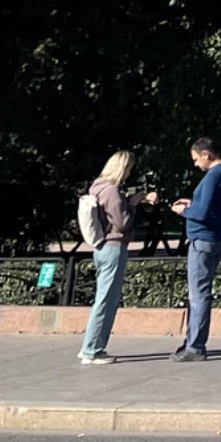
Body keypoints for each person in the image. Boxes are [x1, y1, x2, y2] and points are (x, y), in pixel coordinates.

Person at [170, 137, 221, 362]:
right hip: (218, 237)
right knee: (202, 290)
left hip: (202, 239)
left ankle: (195, 346)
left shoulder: (212, 175)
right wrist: (192, 203)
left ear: (206, 154)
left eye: (196, 159)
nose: (195, 164)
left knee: (198, 293)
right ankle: (192, 341)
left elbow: (202, 213)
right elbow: (213, 207)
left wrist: (183, 210)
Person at [77, 153, 139, 364]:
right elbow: (122, 223)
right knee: (106, 300)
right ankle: (92, 350)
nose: (130, 173)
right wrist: (132, 203)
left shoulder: (98, 186)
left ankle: (91, 344)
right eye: (129, 168)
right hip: (114, 247)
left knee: (103, 298)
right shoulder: (112, 190)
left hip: (101, 247)